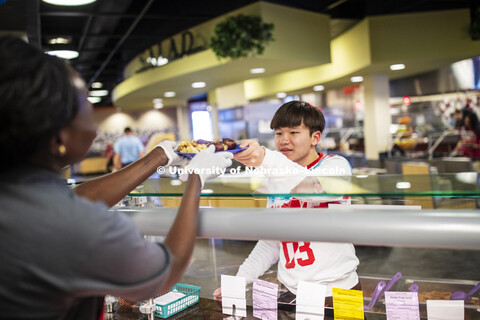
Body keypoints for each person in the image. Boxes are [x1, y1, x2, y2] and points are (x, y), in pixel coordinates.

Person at [0, 36, 233, 319]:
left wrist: (157, 157)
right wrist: (197, 177)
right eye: (85, 101)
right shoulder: (77, 227)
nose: (92, 110)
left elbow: (77, 198)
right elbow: (164, 270)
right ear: (59, 137)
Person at [213, 101, 360, 306]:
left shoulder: (336, 166)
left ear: (315, 137)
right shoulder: (275, 178)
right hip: (292, 293)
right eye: (279, 133)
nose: (284, 140)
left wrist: (265, 159)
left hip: (340, 292)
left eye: (293, 132)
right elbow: (272, 242)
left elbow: (313, 188)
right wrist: (241, 279)